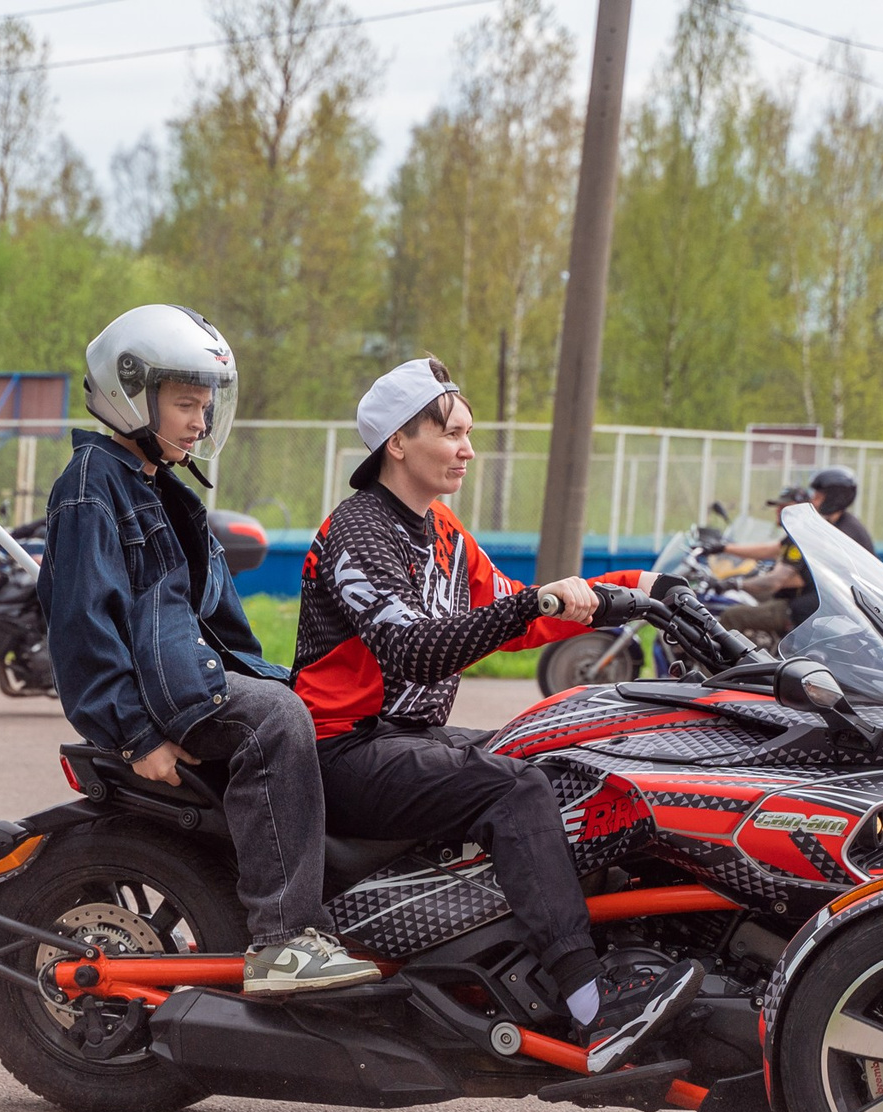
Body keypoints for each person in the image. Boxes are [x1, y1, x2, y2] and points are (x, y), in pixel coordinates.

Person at [293, 357, 701, 1072]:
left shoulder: (443, 532)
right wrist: (529, 604)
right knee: (513, 789)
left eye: (467, 433)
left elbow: (518, 610)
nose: (467, 449)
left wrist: (641, 588)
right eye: (451, 433)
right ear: (397, 442)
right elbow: (414, 649)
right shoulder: (357, 532)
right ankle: (588, 1002)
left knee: (565, 756)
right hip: (343, 751)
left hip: (407, 739)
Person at [40, 304, 377, 995]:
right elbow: (82, 622)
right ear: (132, 394)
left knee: (323, 708)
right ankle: (283, 939)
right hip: (162, 696)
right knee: (273, 718)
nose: (199, 420)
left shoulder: (162, 489)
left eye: (205, 404)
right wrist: (133, 731)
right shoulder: (91, 485)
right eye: (186, 403)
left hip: (190, 675)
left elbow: (222, 626)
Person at [708, 465, 874, 640]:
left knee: (733, 615)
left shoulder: (839, 532)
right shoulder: (831, 526)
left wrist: (734, 583)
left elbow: (780, 580)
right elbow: (773, 549)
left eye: (817, 497)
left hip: (827, 607)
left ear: (835, 498)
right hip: (827, 604)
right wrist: (724, 548)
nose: (813, 502)